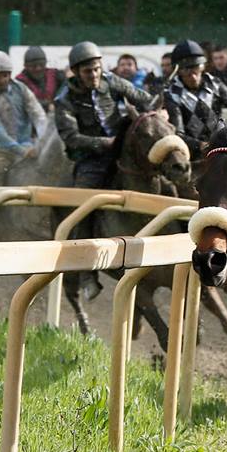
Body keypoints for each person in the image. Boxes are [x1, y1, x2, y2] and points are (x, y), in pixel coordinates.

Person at [54, 41, 154, 301]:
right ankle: (87, 273)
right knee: (83, 208)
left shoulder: (113, 81)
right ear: (76, 71)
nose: (95, 75)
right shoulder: (64, 99)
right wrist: (103, 143)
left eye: (97, 69)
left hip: (122, 150)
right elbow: (71, 137)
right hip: (91, 160)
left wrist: (155, 109)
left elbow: (142, 99)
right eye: (88, 71)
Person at [164, 39, 227, 160]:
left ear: (203, 67)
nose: (193, 76)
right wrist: (202, 146)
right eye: (187, 70)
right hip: (192, 155)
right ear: (178, 71)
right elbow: (178, 133)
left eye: (196, 68)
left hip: (221, 149)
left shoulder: (215, 84)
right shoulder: (172, 94)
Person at [0, 50, 47, 183]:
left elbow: (38, 115)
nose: (2, 80)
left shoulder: (21, 89)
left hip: (27, 144)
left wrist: (43, 139)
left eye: (5, 75)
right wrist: (21, 151)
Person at [16, 46, 65, 112]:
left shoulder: (56, 75)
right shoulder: (19, 82)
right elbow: (22, 103)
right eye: (33, 66)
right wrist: (47, 105)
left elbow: (66, 91)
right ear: (25, 66)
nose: (38, 68)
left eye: (41, 65)